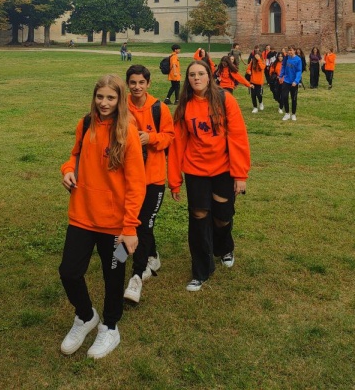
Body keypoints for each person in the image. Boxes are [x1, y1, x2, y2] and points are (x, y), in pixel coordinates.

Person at [59, 75, 146, 360]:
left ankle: (110, 326)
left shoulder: (128, 131)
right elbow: (74, 156)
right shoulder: (86, 124)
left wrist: (130, 227)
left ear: (120, 100)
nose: (104, 103)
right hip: (82, 215)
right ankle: (86, 316)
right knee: (69, 272)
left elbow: (136, 184)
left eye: (111, 98)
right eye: (100, 97)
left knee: (114, 277)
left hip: (117, 225)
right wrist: (67, 170)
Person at [168, 60, 250, 292]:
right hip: (196, 170)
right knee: (199, 217)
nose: (196, 78)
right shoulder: (184, 106)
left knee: (222, 216)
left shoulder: (225, 100)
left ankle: (224, 248)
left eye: (201, 73)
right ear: (188, 79)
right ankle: (201, 270)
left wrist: (240, 174)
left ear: (209, 76)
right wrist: (174, 181)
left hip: (223, 168)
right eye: (192, 74)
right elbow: (177, 144)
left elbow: (238, 137)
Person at [123, 65, 174, 304]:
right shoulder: (121, 106)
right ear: (128, 84)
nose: (137, 87)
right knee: (133, 219)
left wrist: (150, 138)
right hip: (128, 178)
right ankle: (152, 255)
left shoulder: (158, 108)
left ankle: (137, 274)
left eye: (141, 82)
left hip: (153, 178)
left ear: (148, 84)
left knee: (144, 224)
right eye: (133, 82)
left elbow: (170, 137)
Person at [279, 46, 302, 121]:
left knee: (294, 98)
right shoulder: (286, 58)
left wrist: (296, 81)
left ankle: (293, 114)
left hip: (293, 82)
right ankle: (287, 113)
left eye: (291, 50)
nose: (289, 52)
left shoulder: (298, 60)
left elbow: (299, 71)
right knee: (285, 96)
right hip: (286, 80)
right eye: (288, 50)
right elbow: (283, 67)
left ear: (294, 51)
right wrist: (280, 76)